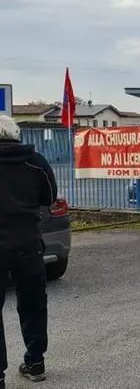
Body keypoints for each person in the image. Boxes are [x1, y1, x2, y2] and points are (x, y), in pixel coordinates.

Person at [0, 115, 56, 383]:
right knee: (33, 303)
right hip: (28, 244)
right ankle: (35, 363)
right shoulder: (35, 162)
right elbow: (49, 197)